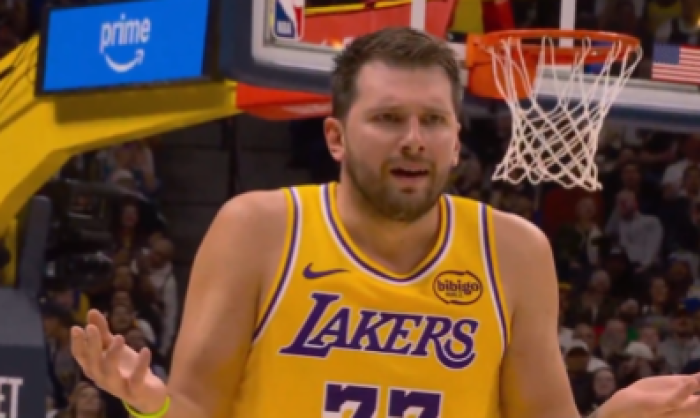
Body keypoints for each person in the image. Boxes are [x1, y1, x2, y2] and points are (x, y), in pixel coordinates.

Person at [70, 27, 700, 418]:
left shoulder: (513, 251)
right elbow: (194, 409)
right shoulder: (260, 231)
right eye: (388, 118)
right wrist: (149, 405)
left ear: (457, 141)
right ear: (336, 137)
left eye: (434, 120)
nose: (414, 138)